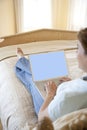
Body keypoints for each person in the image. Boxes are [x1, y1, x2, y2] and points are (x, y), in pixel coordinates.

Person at [15, 28, 87, 122]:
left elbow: (42, 118)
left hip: (49, 110)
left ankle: (22, 61)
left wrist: (50, 94)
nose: (76, 52)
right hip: (63, 98)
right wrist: (72, 83)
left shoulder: (67, 98)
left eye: (78, 48)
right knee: (40, 73)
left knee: (32, 79)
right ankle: (23, 61)